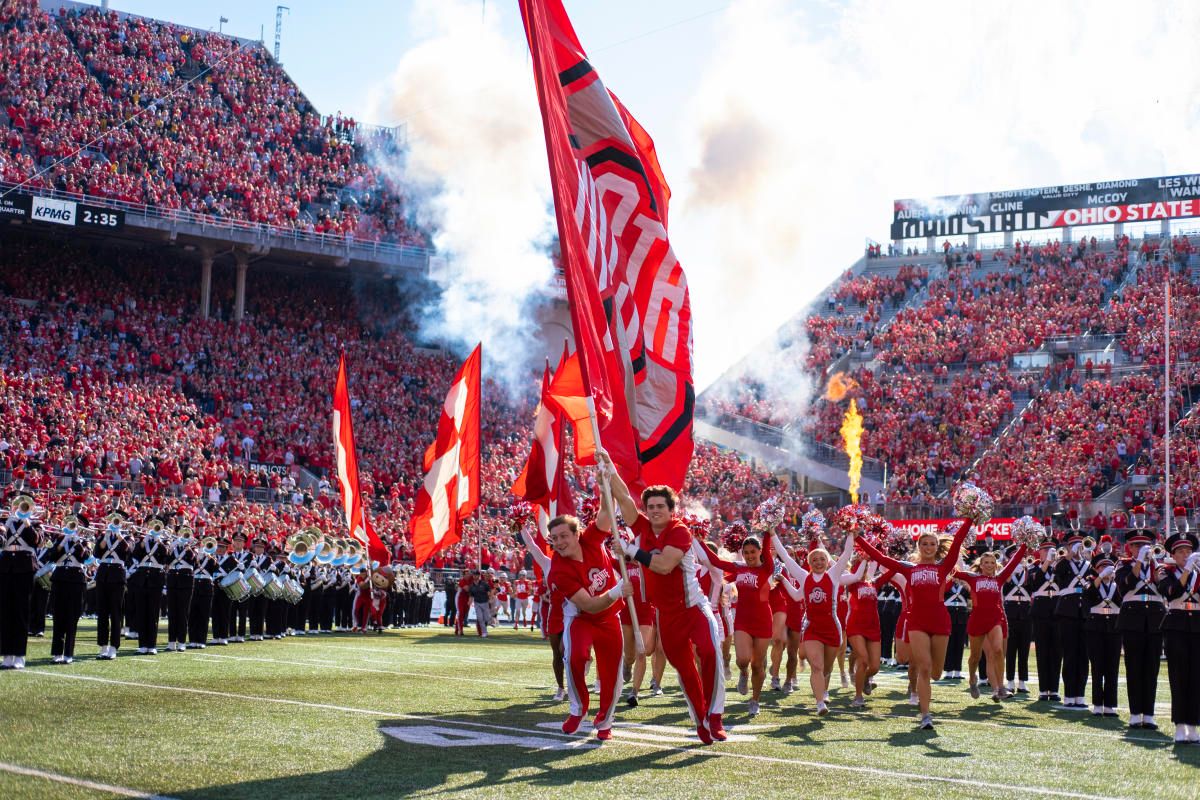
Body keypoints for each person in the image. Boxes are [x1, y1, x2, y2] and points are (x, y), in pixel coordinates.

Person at [607, 453, 726, 744]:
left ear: (672, 509)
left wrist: (631, 551)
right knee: (684, 669)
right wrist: (608, 466)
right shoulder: (644, 527)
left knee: (710, 653)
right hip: (667, 614)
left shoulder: (679, 531)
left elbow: (664, 565)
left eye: (661, 506)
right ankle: (700, 719)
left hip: (694, 608)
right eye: (651, 506)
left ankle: (715, 716)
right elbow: (623, 497)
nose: (656, 510)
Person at [855, 518, 972, 730]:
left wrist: (970, 518)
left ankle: (925, 703)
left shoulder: (945, 566)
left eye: (932, 544)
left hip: (939, 620)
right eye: (924, 544)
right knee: (924, 669)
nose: (928, 547)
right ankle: (926, 715)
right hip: (916, 621)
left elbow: (957, 542)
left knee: (936, 672)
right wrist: (857, 538)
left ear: (937, 548)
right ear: (918, 546)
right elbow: (880, 557)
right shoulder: (909, 568)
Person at [546, 511, 631, 741]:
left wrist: (607, 482)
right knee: (574, 657)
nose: (560, 542)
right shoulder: (559, 570)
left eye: (564, 535)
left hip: (610, 616)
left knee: (611, 672)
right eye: (555, 538)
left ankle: (605, 720)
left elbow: (606, 514)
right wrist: (617, 590)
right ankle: (578, 709)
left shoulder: (591, 539)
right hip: (581, 617)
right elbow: (590, 605)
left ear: (577, 534)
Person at [773, 530, 855, 715]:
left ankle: (823, 692)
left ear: (827, 562)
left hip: (832, 628)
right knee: (816, 666)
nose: (818, 562)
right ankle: (820, 703)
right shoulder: (804, 576)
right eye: (815, 560)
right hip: (812, 628)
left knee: (826, 668)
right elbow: (785, 558)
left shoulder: (834, 575)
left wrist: (850, 533)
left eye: (822, 559)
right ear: (809, 563)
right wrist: (772, 533)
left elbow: (846, 554)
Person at [698, 534, 777, 717]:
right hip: (743, 619)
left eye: (753, 552)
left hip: (763, 620)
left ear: (759, 552)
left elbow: (767, 548)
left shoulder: (767, 568)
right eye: (746, 552)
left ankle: (755, 700)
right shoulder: (738, 569)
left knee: (758, 664)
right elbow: (715, 561)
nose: (750, 555)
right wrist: (698, 539)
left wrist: (768, 530)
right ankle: (743, 672)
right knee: (743, 659)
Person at [954, 542, 1027, 701]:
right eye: (986, 562)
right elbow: (954, 572)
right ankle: (973, 678)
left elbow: (1014, 562)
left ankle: (1000, 688)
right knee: (975, 657)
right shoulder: (973, 577)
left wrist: (1024, 545)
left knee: (998, 651)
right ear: (980, 564)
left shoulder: (1000, 578)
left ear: (996, 565)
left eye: (992, 562)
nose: (989, 565)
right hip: (977, 619)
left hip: (995, 618)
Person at [1117, 528, 1166, 729]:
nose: (1142, 549)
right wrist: (1139, 562)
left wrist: (1154, 565)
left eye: (1144, 545)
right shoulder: (1124, 564)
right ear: (1130, 548)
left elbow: (1165, 589)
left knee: (1151, 668)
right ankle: (1136, 712)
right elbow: (1124, 585)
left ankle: (1149, 714)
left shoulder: (1159, 566)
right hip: (1132, 619)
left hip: (1155, 619)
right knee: (1134, 667)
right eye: (1137, 545)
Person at [1157, 528, 1200, 744]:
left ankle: (1193, 726)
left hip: (1197, 626)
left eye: (1189, 551)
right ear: (1173, 555)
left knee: (1196, 679)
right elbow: (1171, 592)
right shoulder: (1165, 571)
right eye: (1181, 552)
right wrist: (1187, 571)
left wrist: (1194, 571)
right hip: (1176, 625)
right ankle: (1180, 725)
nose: (1185, 555)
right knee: (1179, 677)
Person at [520, 517, 566, 701]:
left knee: (569, 652)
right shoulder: (548, 563)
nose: (559, 546)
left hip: (575, 612)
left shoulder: (576, 560)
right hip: (555, 614)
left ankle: (584, 665)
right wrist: (520, 525)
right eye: (555, 542)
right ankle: (561, 688)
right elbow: (531, 546)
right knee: (557, 654)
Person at [840, 557, 894, 706]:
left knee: (875, 666)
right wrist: (863, 557)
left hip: (873, 626)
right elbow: (854, 574)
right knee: (863, 659)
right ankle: (858, 697)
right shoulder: (851, 583)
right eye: (859, 567)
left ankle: (863, 679)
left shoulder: (874, 583)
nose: (863, 570)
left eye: (864, 567)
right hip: (856, 625)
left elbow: (892, 571)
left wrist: (886, 555)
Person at [1054, 531, 1093, 709]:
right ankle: (1069, 694)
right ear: (1068, 547)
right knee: (1069, 654)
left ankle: (1080, 695)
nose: (1078, 547)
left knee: (1083, 656)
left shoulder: (1088, 564)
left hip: (1084, 612)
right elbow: (1058, 573)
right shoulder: (1063, 563)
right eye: (1074, 544)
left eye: (1080, 544)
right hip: (1067, 612)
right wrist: (1069, 555)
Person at [0, 499, 41, 670]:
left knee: (21, 612)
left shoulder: (36, 523)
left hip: (24, 567)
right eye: (16, 505)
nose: (19, 508)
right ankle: (6, 654)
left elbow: (37, 541)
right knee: (5, 612)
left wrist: (27, 522)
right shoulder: (4, 522)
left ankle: (19, 655)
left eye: (23, 506)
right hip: (6, 567)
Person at [1082, 554, 1121, 717]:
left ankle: (1110, 704)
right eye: (1102, 568)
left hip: (1114, 626)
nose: (1106, 571)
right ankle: (1097, 703)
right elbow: (1088, 595)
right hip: (1095, 627)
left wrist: (1113, 577)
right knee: (1097, 666)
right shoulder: (1091, 581)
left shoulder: (1117, 585)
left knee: (1112, 667)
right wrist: (1100, 577)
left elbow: (1122, 600)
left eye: (1108, 568)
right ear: (1097, 570)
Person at [48, 527, 90, 664]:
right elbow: (52, 557)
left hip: (76, 581)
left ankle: (68, 654)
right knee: (58, 616)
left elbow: (86, 559)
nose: (72, 530)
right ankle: (57, 653)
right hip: (60, 579)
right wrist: (63, 541)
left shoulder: (83, 542)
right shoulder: (60, 540)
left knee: (72, 617)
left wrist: (78, 543)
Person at [93, 513, 130, 660]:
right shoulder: (104, 536)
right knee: (102, 612)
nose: (114, 524)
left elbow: (128, 552)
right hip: (103, 575)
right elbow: (97, 552)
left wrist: (119, 535)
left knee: (115, 613)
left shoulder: (126, 538)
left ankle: (114, 647)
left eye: (117, 522)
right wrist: (106, 537)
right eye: (113, 521)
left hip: (117, 575)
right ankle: (103, 646)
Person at [1029, 540, 1062, 702]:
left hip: (1057, 610)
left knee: (1057, 651)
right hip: (1041, 611)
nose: (1049, 551)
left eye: (1052, 549)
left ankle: (1054, 689)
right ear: (1040, 552)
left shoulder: (1061, 567)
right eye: (1046, 549)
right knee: (1042, 651)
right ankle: (1043, 689)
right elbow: (1034, 582)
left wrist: (1055, 563)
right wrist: (1047, 562)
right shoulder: (1034, 567)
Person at [1001, 546, 1033, 694]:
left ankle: (1022, 682)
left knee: (1024, 650)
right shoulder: (1006, 573)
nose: (1019, 560)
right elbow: (1005, 587)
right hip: (1011, 612)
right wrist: (1011, 570)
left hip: (1026, 612)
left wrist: (1027, 571)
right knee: (1011, 649)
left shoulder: (1029, 571)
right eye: (1015, 557)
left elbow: (1033, 587)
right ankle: (1010, 681)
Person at [164, 529, 196, 652]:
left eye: (186, 535)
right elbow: (166, 561)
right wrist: (171, 547)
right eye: (182, 535)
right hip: (173, 580)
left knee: (183, 613)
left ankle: (182, 641)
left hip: (186, 582)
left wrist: (189, 548)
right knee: (172, 612)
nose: (184, 537)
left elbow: (193, 561)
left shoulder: (192, 549)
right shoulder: (173, 548)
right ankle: (171, 642)